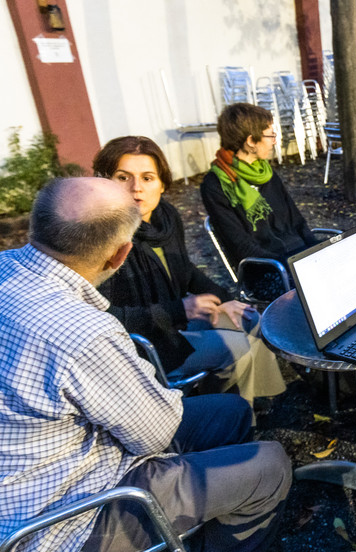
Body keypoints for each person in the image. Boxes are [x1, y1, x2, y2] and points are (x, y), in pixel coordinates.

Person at [0, 178, 291, 552]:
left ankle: (201, 526)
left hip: (51, 466)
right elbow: (153, 434)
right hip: (64, 522)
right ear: (120, 255)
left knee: (231, 411)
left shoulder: (9, 269)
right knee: (271, 465)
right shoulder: (83, 330)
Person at [93, 136, 286, 410]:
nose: (136, 189)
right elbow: (106, 319)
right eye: (123, 177)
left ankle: (253, 400)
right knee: (237, 347)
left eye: (148, 178)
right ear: (104, 182)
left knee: (249, 317)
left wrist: (224, 298)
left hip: (175, 321)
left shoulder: (166, 218)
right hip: (145, 344)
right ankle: (223, 414)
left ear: (162, 184)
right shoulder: (101, 238)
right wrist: (179, 310)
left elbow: (185, 270)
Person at [201, 102, 320, 268]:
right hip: (266, 267)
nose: (275, 141)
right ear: (251, 141)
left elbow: (298, 223)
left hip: (300, 256)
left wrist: (319, 252)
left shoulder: (266, 173)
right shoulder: (216, 185)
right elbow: (242, 248)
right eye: (271, 136)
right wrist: (291, 266)